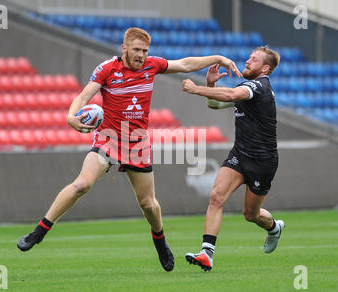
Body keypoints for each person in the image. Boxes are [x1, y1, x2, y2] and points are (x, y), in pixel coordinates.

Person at [17, 27, 242, 272]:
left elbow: (186, 64)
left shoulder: (152, 66)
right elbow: (84, 96)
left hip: (137, 143)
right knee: (82, 185)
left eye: (145, 51)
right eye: (136, 50)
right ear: (124, 48)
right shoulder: (107, 69)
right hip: (109, 139)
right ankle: (39, 232)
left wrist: (218, 58)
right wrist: (71, 116)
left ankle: (160, 240)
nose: (142, 55)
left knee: (148, 204)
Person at [181, 46, 283, 271]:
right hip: (240, 154)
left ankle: (274, 228)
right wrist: (210, 85)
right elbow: (215, 104)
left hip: (262, 162)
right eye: (248, 57)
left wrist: (195, 88)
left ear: (265, 68)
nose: (247, 61)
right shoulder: (247, 87)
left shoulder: (260, 86)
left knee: (251, 214)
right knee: (216, 197)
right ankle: (207, 253)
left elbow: (231, 95)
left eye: (253, 60)